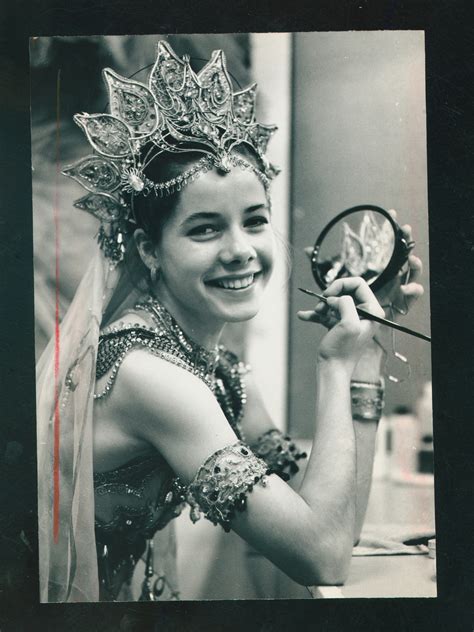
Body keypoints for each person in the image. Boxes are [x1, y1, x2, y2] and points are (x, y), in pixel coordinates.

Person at [36, 40, 424, 602]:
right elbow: (323, 557)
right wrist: (333, 369)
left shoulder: (220, 373)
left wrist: (365, 352)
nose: (241, 249)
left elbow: (334, 525)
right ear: (148, 249)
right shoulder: (152, 378)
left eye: (255, 220)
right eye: (205, 228)